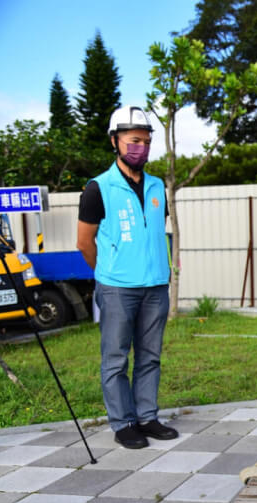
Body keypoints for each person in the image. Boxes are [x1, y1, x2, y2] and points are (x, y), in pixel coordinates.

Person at [77, 105, 178, 449]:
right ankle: (123, 423)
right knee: (116, 358)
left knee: (150, 356)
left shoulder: (155, 186)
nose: (141, 148)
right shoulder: (98, 188)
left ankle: (147, 417)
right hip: (117, 289)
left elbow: (155, 232)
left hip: (155, 288)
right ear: (115, 141)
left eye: (147, 142)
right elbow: (84, 242)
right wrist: (107, 274)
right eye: (134, 140)